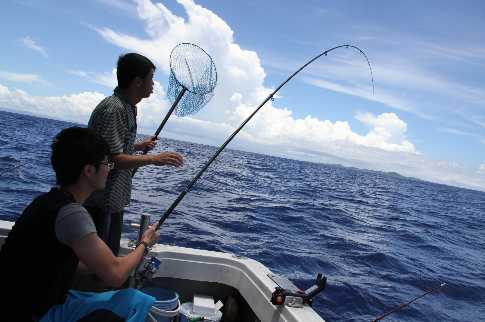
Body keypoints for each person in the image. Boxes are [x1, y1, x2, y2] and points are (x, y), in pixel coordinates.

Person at [0, 127, 159, 322]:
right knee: (134, 303)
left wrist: (102, 263)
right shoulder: (72, 214)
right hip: (33, 313)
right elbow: (116, 276)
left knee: (129, 300)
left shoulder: (45, 202)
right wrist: (145, 243)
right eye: (107, 163)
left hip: (24, 303)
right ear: (89, 171)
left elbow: (52, 260)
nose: (109, 168)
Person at [86, 53, 184, 255]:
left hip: (112, 202)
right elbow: (111, 160)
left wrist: (139, 146)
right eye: (151, 79)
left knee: (108, 256)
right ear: (138, 82)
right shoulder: (113, 109)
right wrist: (153, 159)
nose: (154, 84)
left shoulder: (127, 108)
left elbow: (114, 148)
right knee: (98, 266)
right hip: (99, 204)